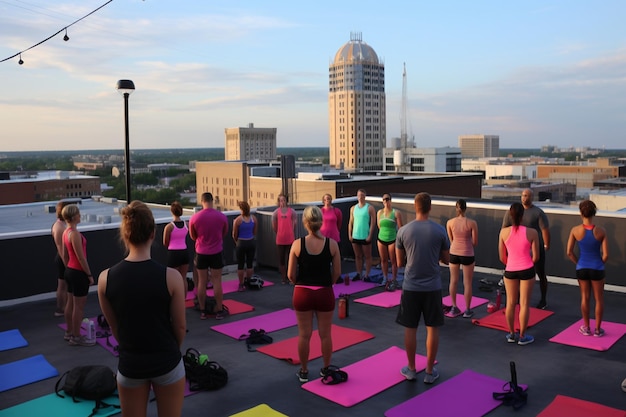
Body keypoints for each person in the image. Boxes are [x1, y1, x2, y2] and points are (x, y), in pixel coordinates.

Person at [97, 201, 186, 417]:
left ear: (125, 235)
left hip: (131, 364)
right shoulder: (172, 277)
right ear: (152, 234)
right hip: (166, 361)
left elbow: (116, 328)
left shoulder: (104, 279)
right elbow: (181, 326)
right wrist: (168, 349)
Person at [396, 193, 449, 384]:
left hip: (411, 286)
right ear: (430, 207)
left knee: (410, 328)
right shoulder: (440, 230)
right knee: (432, 328)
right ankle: (428, 371)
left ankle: (411, 369)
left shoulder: (403, 231)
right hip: (432, 287)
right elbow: (447, 259)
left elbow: (400, 262)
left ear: (415, 206)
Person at [287, 205, 341, 383]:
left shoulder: (297, 244)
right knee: (325, 334)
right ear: (321, 222)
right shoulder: (332, 244)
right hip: (324, 293)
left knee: (304, 335)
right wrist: (328, 283)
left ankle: (303, 371)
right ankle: (326, 369)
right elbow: (337, 273)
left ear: (305, 223)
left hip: (302, 293)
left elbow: (290, 275)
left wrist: (299, 284)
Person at [566, 200, 608, 337]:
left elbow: (569, 252)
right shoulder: (601, 231)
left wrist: (579, 263)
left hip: (582, 268)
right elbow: (606, 255)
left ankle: (586, 327)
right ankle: (597, 329)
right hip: (597, 268)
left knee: (585, 297)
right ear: (594, 212)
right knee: (599, 299)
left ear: (580, 213)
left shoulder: (575, 230)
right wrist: (599, 263)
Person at [502, 188, 550, 309]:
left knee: (541, 273)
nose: (525, 198)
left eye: (527, 196)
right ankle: (516, 300)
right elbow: (504, 229)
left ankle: (543, 300)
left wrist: (545, 245)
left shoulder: (538, 212)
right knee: (517, 276)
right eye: (523, 195)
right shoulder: (511, 212)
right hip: (518, 251)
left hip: (535, 249)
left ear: (532, 197)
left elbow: (545, 230)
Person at [499, 202, 539, 346]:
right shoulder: (532, 232)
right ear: (523, 216)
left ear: (510, 215)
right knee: (524, 304)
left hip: (510, 270)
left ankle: (511, 334)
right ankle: (522, 336)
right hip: (527, 269)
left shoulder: (503, 232)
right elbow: (536, 257)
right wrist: (525, 261)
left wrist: (512, 263)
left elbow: (502, 257)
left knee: (510, 303)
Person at [189, 192, 229, 320]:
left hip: (201, 252)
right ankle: (219, 310)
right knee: (217, 281)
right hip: (216, 251)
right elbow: (224, 232)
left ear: (202, 201)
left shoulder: (195, 218)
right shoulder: (221, 217)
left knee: (202, 281)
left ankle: (203, 311)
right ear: (212, 201)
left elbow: (193, 236)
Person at [61, 204, 95, 347]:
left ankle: (69, 332)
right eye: (79, 214)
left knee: (70, 302)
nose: (80, 215)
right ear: (74, 216)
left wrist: (70, 269)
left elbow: (64, 255)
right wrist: (89, 274)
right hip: (78, 272)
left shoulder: (65, 232)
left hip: (69, 270)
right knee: (79, 306)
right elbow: (81, 258)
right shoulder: (74, 234)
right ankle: (76, 336)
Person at [445, 199, 478, 318]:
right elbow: (475, 242)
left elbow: (451, 239)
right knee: (467, 282)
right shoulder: (472, 223)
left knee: (453, 280)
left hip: (454, 253)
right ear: (465, 208)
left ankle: (454, 307)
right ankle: (468, 310)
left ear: (456, 208)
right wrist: (466, 245)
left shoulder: (449, 222)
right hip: (467, 253)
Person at [348, 189, 376, 281]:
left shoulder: (369, 208)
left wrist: (370, 235)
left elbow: (373, 223)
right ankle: (359, 273)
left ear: (365, 197)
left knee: (367, 256)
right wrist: (350, 234)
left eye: (362, 195)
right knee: (358, 256)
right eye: (359, 195)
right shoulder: (353, 208)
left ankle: (367, 275)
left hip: (365, 236)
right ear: (357, 196)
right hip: (355, 236)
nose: (360, 197)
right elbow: (350, 222)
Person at [377, 193, 403, 290]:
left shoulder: (396, 213)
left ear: (390, 201)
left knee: (393, 261)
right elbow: (379, 226)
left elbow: (400, 228)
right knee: (383, 260)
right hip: (381, 239)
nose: (386, 202)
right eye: (384, 200)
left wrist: (400, 241)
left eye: (387, 199)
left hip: (392, 239)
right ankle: (385, 277)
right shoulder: (379, 213)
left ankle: (394, 279)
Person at [162, 201, 189, 287]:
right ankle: (183, 298)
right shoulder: (186, 224)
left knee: (172, 278)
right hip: (184, 252)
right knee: (183, 278)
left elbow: (165, 242)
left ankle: (174, 298)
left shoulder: (169, 227)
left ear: (172, 212)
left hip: (173, 253)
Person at [232, 201, 258, 292]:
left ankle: (241, 284)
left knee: (241, 264)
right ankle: (249, 281)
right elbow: (254, 232)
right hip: (251, 242)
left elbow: (234, 234)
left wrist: (237, 242)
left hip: (241, 243)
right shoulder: (253, 218)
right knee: (250, 264)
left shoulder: (238, 220)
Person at [51, 200, 70, 317]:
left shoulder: (61, 225)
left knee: (64, 285)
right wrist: (68, 265)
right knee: (62, 285)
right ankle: (60, 309)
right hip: (63, 259)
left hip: (64, 258)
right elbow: (61, 248)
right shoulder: (59, 227)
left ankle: (64, 307)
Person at [272, 194, 297, 284]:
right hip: (280, 239)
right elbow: (274, 226)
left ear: (286, 201)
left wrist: (290, 231)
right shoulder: (276, 212)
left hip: (290, 238)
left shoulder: (292, 211)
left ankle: (290, 277)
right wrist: (280, 232)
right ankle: (284, 278)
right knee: (281, 259)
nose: (282, 202)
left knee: (290, 259)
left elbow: (294, 223)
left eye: (284, 200)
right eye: (280, 200)